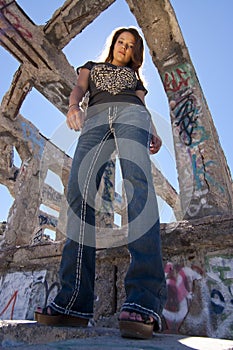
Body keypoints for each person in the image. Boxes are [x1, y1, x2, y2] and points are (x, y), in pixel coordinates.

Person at [35, 26, 167, 339]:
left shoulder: (135, 80)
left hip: (131, 117)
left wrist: (153, 130)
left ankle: (145, 300)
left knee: (138, 188)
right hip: (94, 119)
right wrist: (72, 106)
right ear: (113, 43)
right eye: (121, 41)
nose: (125, 47)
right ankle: (73, 301)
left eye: (131, 45)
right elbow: (79, 89)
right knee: (79, 194)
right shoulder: (91, 68)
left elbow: (142, 106)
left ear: (135, 53)